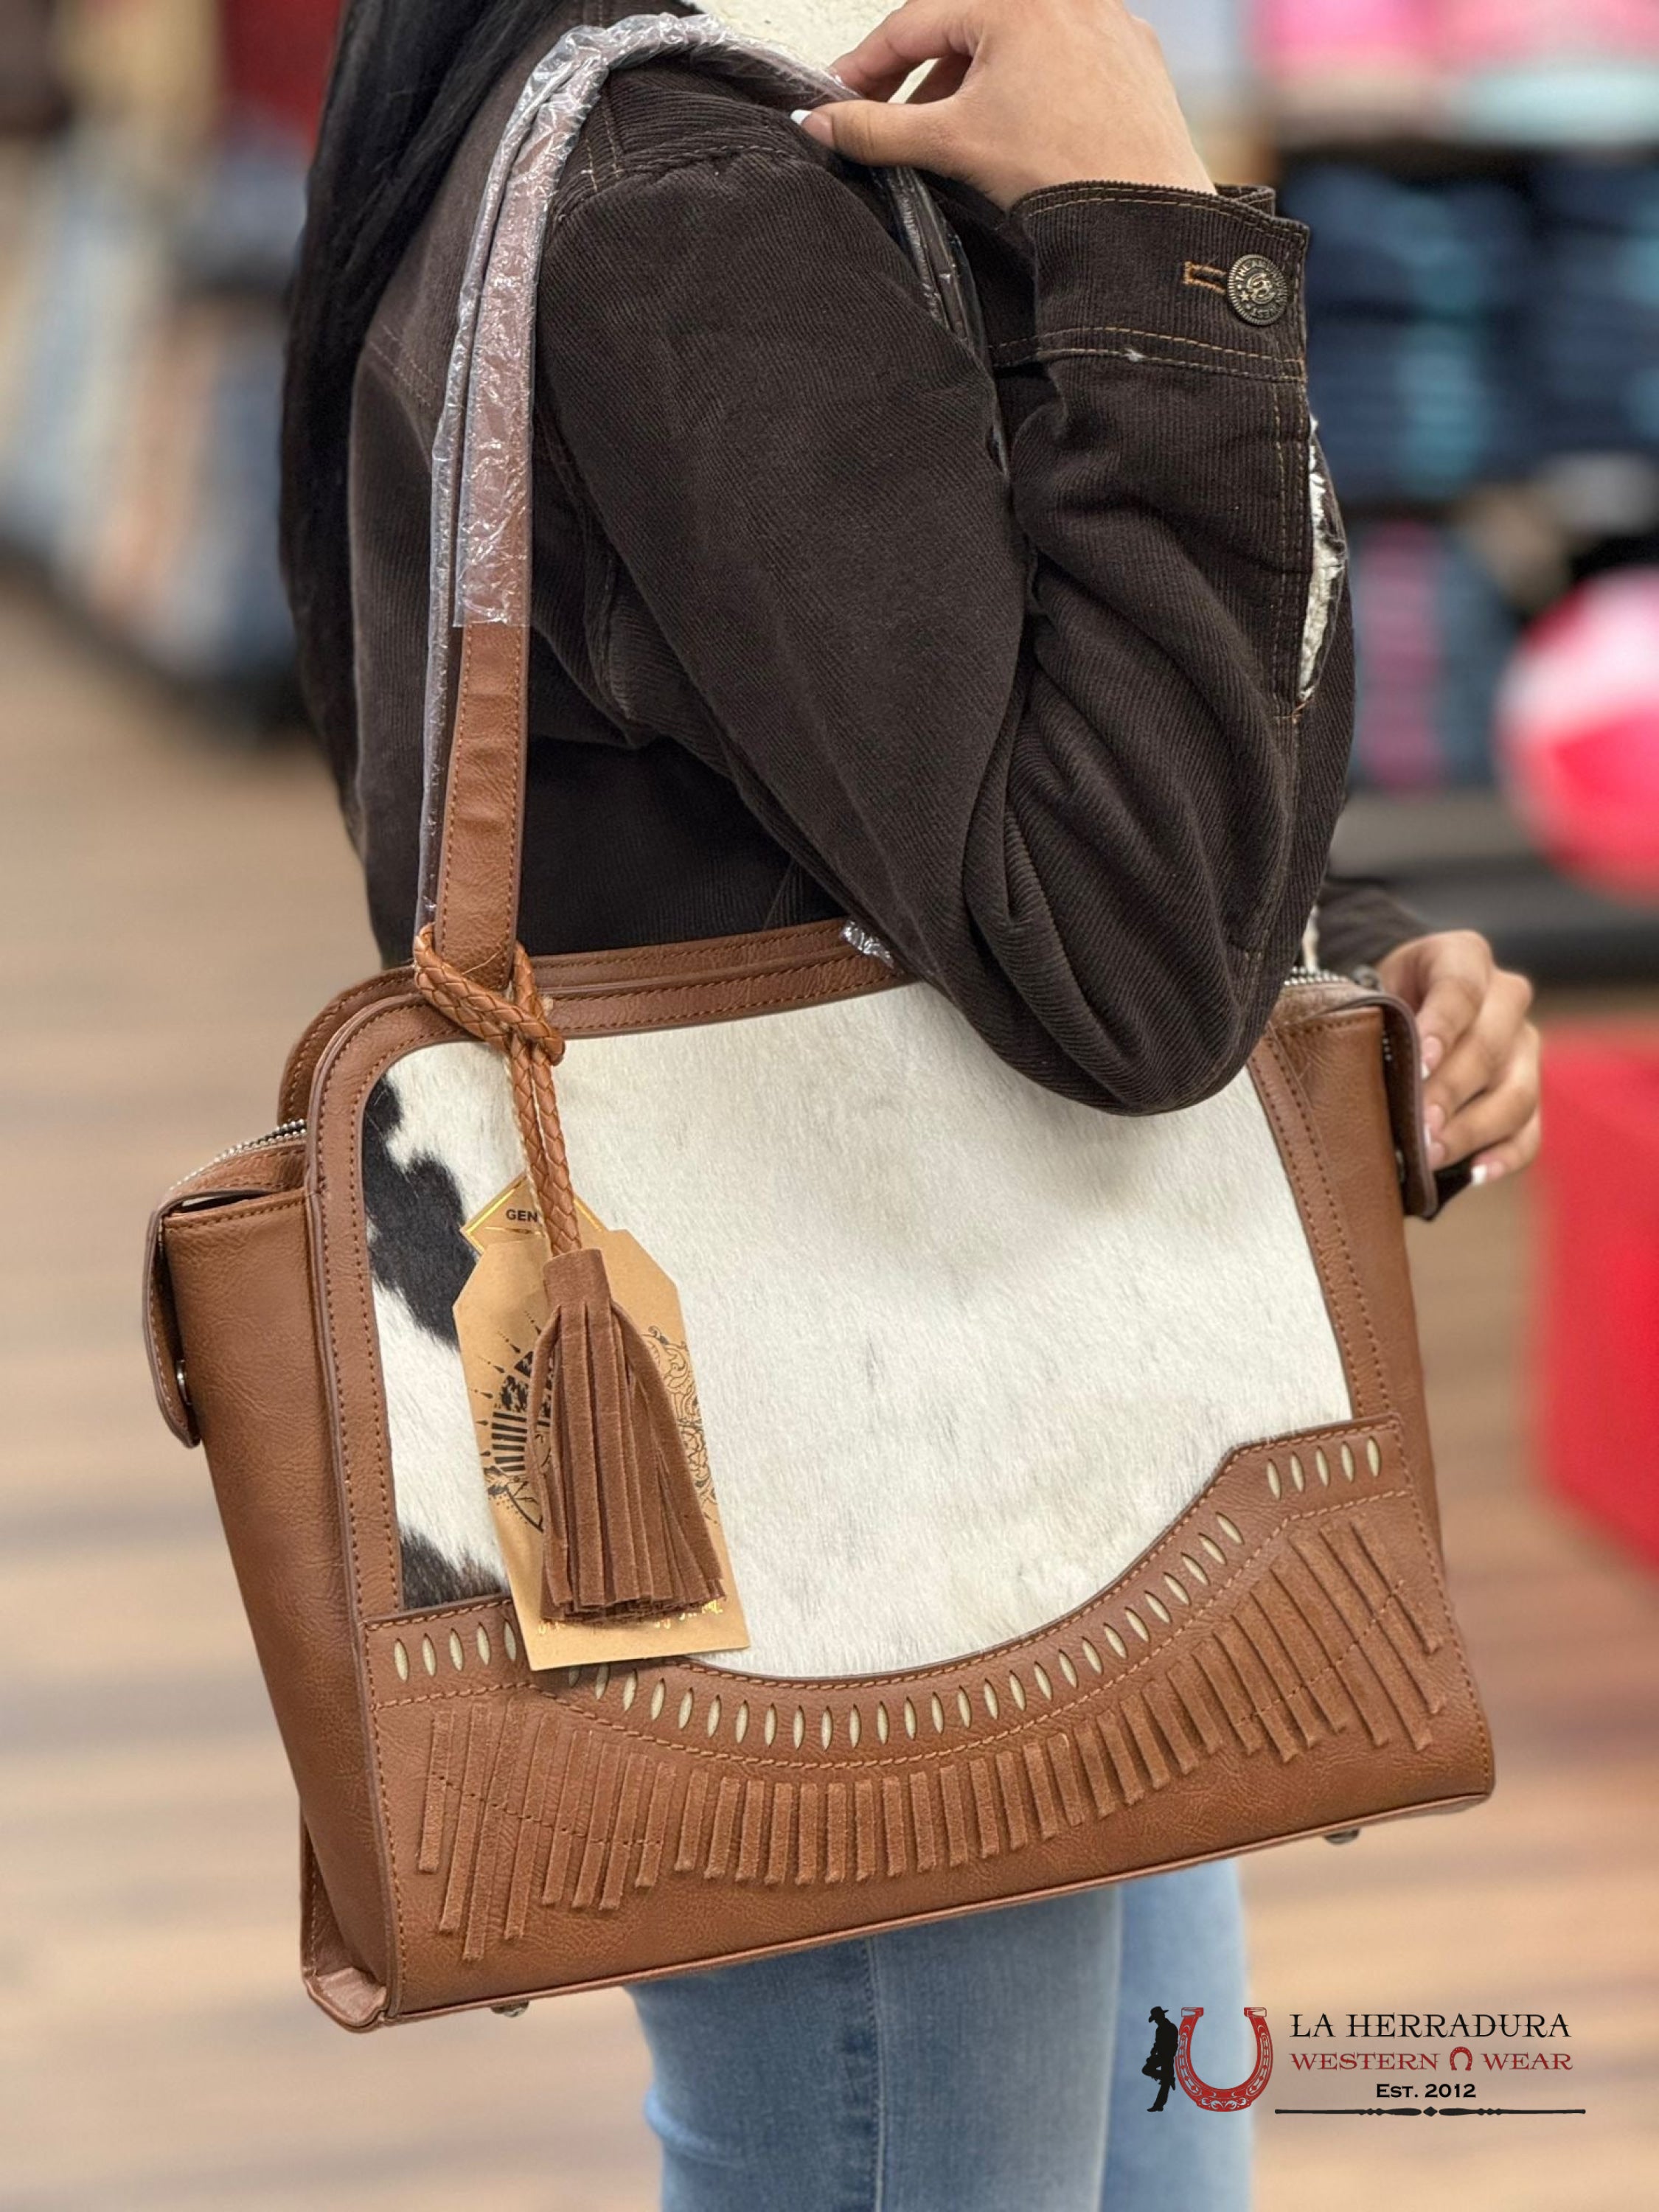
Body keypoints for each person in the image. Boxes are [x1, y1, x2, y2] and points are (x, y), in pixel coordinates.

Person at [280, 3, 1543, 2204]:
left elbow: (941, 791)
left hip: (1024, 1420)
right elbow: (1121, 965)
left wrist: (1325, 940)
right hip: (885, 1484)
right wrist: (1151, 234)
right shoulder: (695, 203)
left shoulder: (681, 140)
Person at [1142, 2005, 1180, 2112]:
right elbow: (1157, 2044)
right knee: (1164, 2080)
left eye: (1156, 2019)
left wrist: (1159, 2054)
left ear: (1161, 2017)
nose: (1155, 2021)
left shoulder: (1170, 2027)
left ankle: (1159, 2105)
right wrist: (1153, 2053)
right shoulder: (1160, 2029)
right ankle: (1159, 2104)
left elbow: (1173, 2045)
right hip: (1164, 2056)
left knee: (1164, 2081)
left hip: (1167, 2056)